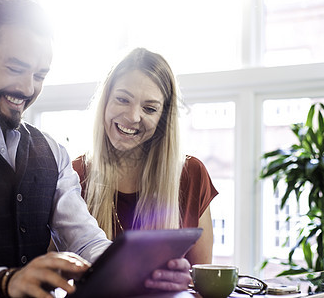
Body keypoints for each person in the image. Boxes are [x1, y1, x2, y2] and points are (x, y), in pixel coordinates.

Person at [0, 0, 191, 298]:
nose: (28, 89)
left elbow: (87, 242)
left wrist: (144, 269)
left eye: (40, 75)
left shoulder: (53, 152)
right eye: (16, 68)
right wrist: (4, 283)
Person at [72, 47, 218, 265]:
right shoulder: (74, 175)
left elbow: (201, 278)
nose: (132, 117)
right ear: (105, 100)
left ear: (163, 118)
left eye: (149, 109)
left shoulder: (191, 174)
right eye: (122, 99)